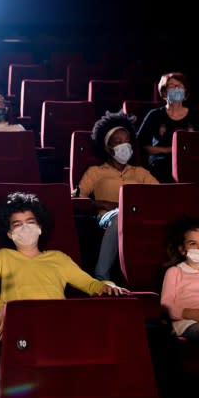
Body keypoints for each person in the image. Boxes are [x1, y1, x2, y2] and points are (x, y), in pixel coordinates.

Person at [0, 192, 129, 341]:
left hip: (58, 328)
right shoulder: (3, 256)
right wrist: (0, 306)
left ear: (40, 227)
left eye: (30, 222)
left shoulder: (59, 258)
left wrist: (108, 284)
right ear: (9, 233)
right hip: (19, 327)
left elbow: (90, 284)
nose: (25, 228)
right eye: (18, 224)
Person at [76, 111, 159, 281]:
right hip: (106, 217)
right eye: (118, 142)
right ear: (108, 147)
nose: (124, 146)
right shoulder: (96, 172)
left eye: (127, 142)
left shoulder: (140, 172)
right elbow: (78, 199)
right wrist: (101, 204)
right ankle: (101, 275)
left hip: (138, 216)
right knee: (119, 216)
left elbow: (159, 195)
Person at [137, 72, 199, 182]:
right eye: (172, 86)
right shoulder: (155, 115)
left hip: (189, 163)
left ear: (185, 91)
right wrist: (168, 150)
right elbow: (141, 144)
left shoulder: (195, 115)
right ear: (164, 92)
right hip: (161, 163)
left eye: (180, 86)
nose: (176, 89)